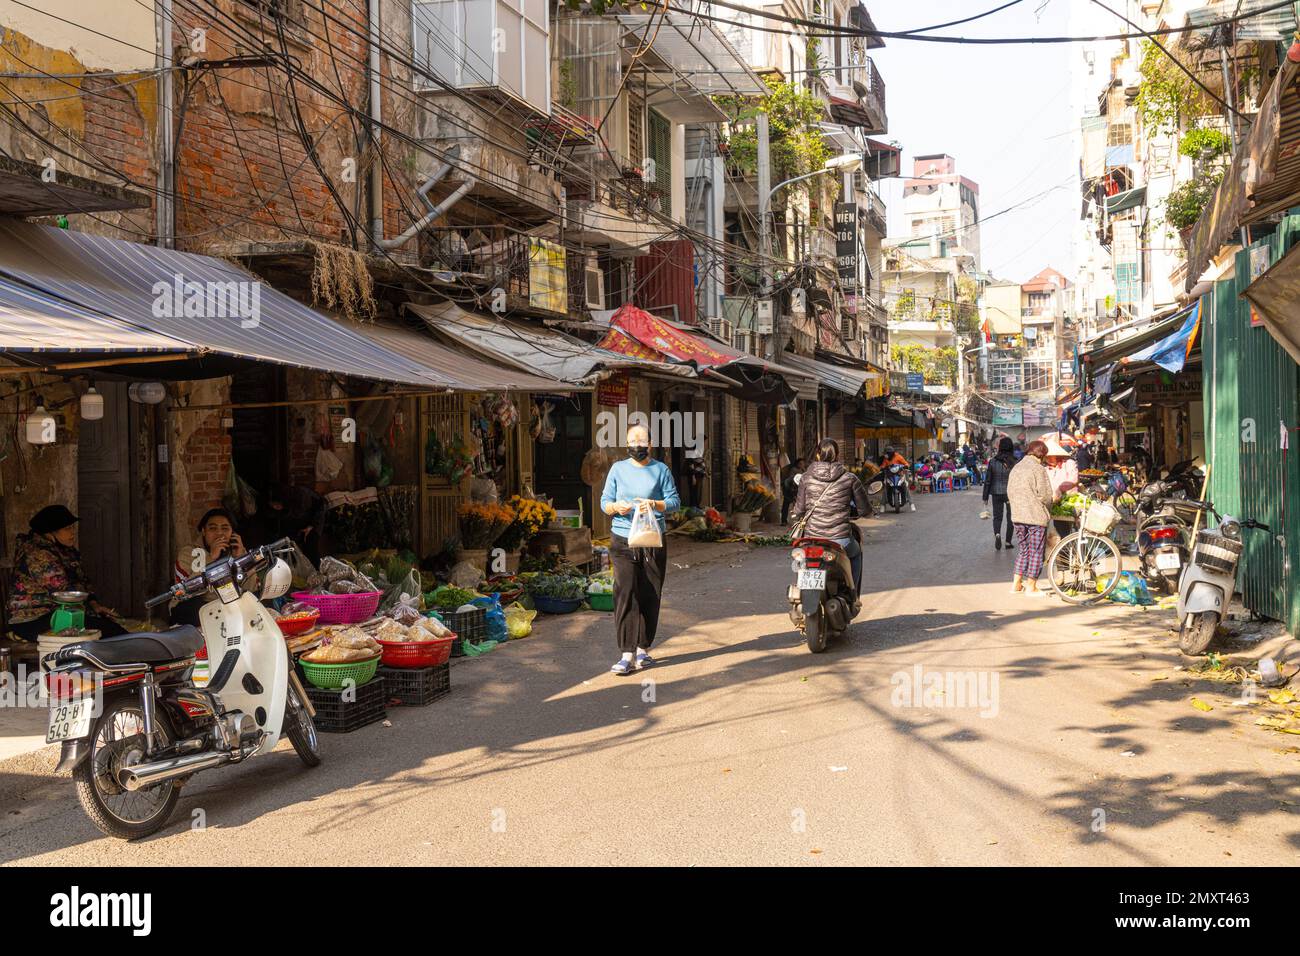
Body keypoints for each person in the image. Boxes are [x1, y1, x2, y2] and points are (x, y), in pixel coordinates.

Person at [600, 424, 681, 676]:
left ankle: (643, 648)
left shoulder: (661, 470)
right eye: (632, 440)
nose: (636, 444)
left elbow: (674, 502)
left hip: (651, 539)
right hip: (622, 539)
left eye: (641, 440)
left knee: (649, 592)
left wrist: (655, 504)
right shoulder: (618, 469)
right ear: (626, 444)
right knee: (625, 592)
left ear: (650, 443)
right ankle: (626, 653)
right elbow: (604, 502)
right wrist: (616, 508)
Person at [7, 505, 127, 640]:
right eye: (67, 529)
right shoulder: (38, 555)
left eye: (72, 527)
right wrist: (90, 612)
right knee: (110, 632)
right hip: (32, 620)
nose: (72, 532)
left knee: (112, 628)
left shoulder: (66, 550)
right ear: (50, 533)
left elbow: (82, 580)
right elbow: (64, 593)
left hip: (60, 612)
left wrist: (95, 605)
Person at [788, 438, 870, 600]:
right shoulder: (850, 478)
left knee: (803, 560)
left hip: (812, 539)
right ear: (838, 455)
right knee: (856, 553)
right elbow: (864, 509)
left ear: (818, 455)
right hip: (840, 540)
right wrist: (863, 512)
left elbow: (799, 509)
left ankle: (798, 592)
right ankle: (852, 593)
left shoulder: (806, 478)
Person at [172, 508, 256, 626]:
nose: (219, 533)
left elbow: (251, 589)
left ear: (232, 533)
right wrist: (211, 558)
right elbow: (183, 592)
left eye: (225, 529)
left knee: (260, 601)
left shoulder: (237, 551)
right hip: (198, 608)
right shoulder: (188, 552)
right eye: (213, 528)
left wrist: (241, 559)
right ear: (204, 531)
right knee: (194, 607)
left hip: (228, 607)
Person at [1006, 440, 1056, 595]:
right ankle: (1031, 586)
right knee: (1036, 551)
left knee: (1024, 550)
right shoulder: (1038, 469)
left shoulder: (1017, 467)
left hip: (1018, 516)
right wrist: (1050, 506)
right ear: (1042, 455)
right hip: (1035, 517)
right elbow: (1046, 496)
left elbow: (1009, 491)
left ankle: (1016, 584)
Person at [983, 437, 1016, 551]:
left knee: (997, 516)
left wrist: (985, 497)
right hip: (1010, 493)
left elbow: (988, 480)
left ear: (1000, 447)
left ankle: (997, 534)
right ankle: (1008, 541)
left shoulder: (993, 461)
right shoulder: (1015, 461)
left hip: (996, 492)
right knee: (1010, 517)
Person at [780, 456, 805, 524]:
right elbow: (792, 479)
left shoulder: (803, 470)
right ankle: (784, 520)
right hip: (789, 489)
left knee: (796, 505)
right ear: (797, 464)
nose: (802, 465)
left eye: (803, 463)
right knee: (786, 504)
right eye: (801, 463)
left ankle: (798, 520)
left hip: (796, 490)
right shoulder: (793, 470)